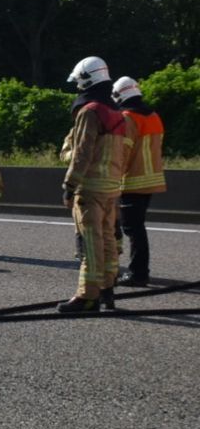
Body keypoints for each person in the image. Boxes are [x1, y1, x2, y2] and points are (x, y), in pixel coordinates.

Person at [58, 56, 128, 313]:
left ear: (87, 79)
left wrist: (69, 184)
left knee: (90, 243)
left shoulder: (89, 112)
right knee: (108, 241)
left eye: (79, 82)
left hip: (89, 188)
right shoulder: (116, 113)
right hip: (111, 187)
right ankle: (108, 293)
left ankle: (87, 297)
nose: (78, 88)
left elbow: (82, 152)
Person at [112, 76, 167, 287]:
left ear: (120, 95)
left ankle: (138, 273)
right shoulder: (154, 116)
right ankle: (139, 271)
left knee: (133, 229)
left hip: (133, 181)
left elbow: (122, 152)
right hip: (152, 180)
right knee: (138, 227)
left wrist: (113, 178)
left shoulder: (127, 117)